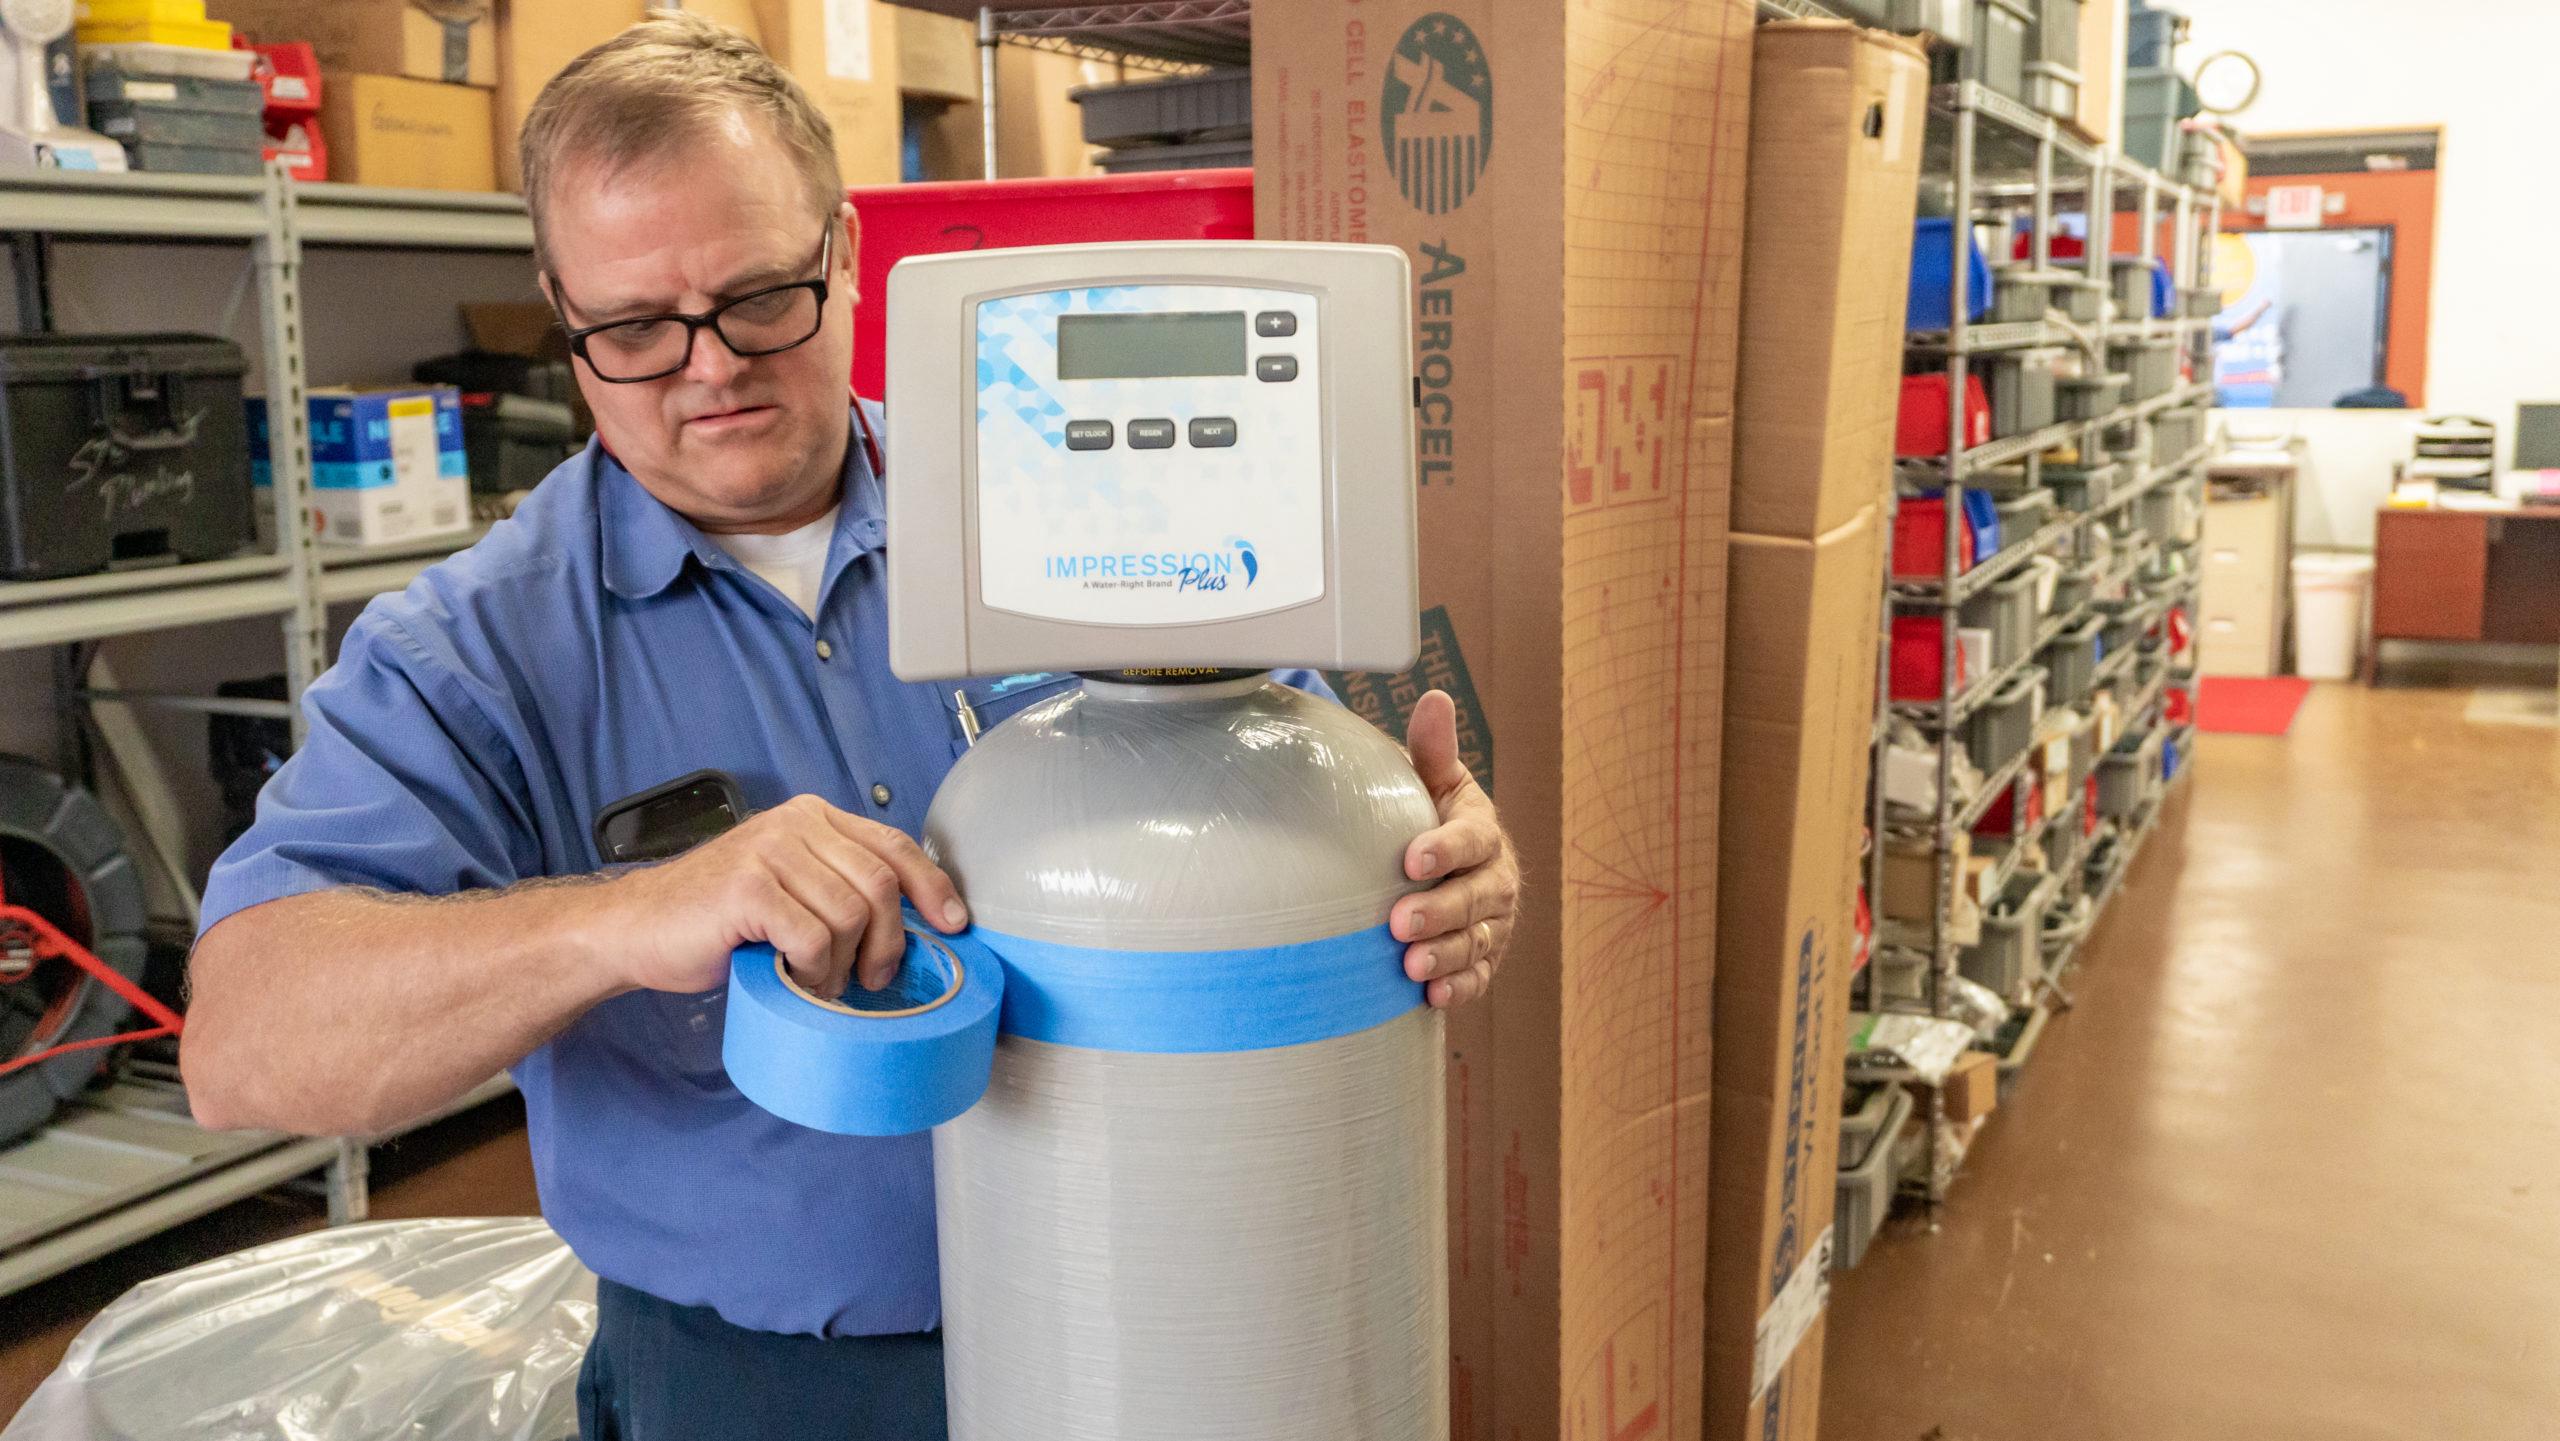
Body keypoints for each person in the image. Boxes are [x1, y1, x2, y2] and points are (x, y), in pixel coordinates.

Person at [175, 15, 1522, 1441]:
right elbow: (245, 1047)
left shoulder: (1065, 503)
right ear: (563, 317)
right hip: (766, 1392)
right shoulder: (479, 649)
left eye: (760, 297)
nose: (710, 368)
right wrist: (627, 918)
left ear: (849, 253)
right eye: (633, 329)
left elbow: (1295, 817)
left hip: (1167, 1317)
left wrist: (1428, 870)